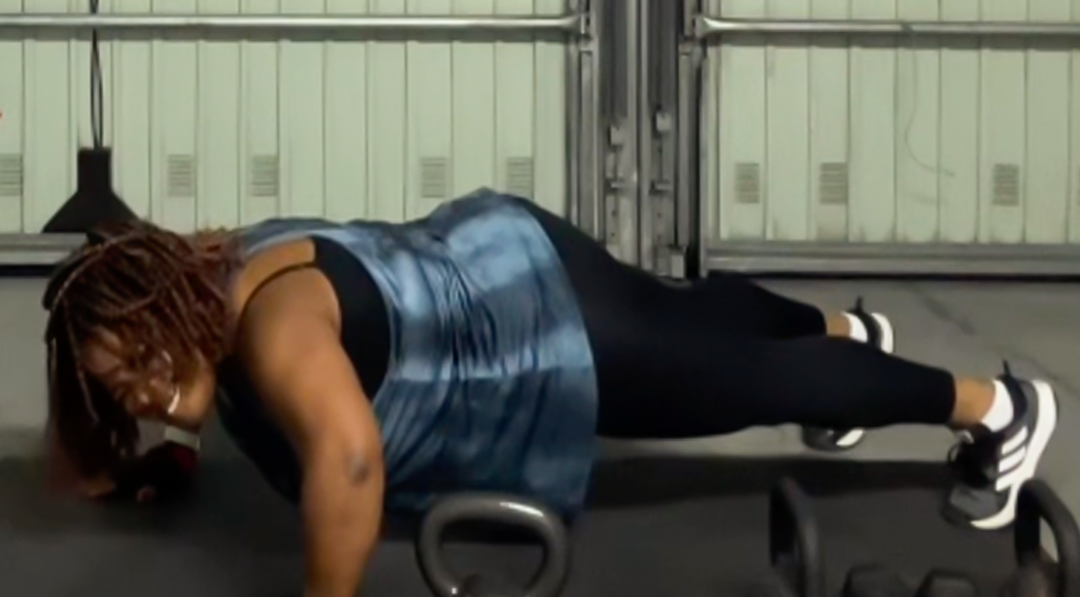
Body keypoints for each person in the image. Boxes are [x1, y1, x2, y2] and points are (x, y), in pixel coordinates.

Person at [43, 189, 1057, 597]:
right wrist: (120, 453)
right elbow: (142, 394)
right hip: (493, 250)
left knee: (739, 381)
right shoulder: (208, 271)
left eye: (142, 360)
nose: (144, 391)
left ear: (170, 308)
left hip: (535, 329)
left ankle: (997, 408)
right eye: (118, 387)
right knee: (686, 315)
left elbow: (350, 462)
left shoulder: (273, 335)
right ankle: (846, 332)